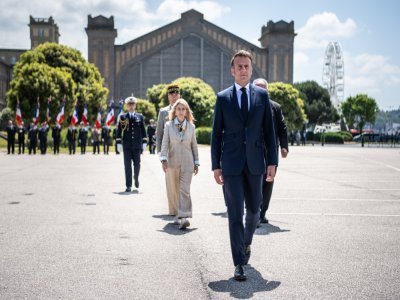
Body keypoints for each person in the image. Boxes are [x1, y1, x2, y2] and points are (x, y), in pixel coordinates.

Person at [211, 50, 277, 281]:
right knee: (235, 214)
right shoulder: (223, 98)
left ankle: (246, 244)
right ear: (232, 70)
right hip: (230, 164)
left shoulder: (262, 96)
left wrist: (273, 162)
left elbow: (270, 132)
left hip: (256, 163)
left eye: (246, 66)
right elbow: (216, 135)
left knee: (254, 213)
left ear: (251, 69)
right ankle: (239, 262)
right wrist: (215, 166)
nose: (243, 70)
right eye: (239, 66)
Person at [253, 78, 289, 225]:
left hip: (270, 152)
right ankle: (253, 211)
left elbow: (282, 127)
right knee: (253, 182)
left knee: (268, 183)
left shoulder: (275, 107)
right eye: (258, 88)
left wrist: (284, 147)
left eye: (263, 89)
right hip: (252, 152)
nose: (261, 91)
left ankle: (262, 212)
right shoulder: (247, 106)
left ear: (267, 91)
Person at [160, 99, 199, 229]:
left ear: (186, 111)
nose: (181, 111)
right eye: (179, 109)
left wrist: (197, 162)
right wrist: (163, 159)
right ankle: (177, 214)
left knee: (184, 189)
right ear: (175, 111)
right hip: (172, 162)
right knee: (175, 189)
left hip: (188, 163)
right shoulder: (168, 125)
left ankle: (184, 216)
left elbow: (194, 146)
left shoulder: (191, 127)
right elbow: (165, 143)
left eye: (183, 109)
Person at [156, 84, 181, 215]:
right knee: (171, 183)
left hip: (183, 151)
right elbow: (159, 133)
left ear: (179, 95)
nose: (174, 95)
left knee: (182, 182)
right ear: (168, 96)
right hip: (169, 152)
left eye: (176, 93)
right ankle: (173, 209)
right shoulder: (163, 112)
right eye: (171, 94)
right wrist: (161, 153)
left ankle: (181, 209)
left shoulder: (184, 109)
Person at [116, 96, 147, 192]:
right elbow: (119, 130)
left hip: (137, 145)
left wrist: (144, 141)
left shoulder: (140, 116)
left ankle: (136, 178)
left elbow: (143, 130)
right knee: (127, 166)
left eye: (132, 104)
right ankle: (128, 185)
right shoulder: (123, 117)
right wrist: (118, 142)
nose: (131, 106)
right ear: (127, 106)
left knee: (137, 164)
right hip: (127, 146)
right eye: (129, 104)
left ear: (135, 105)